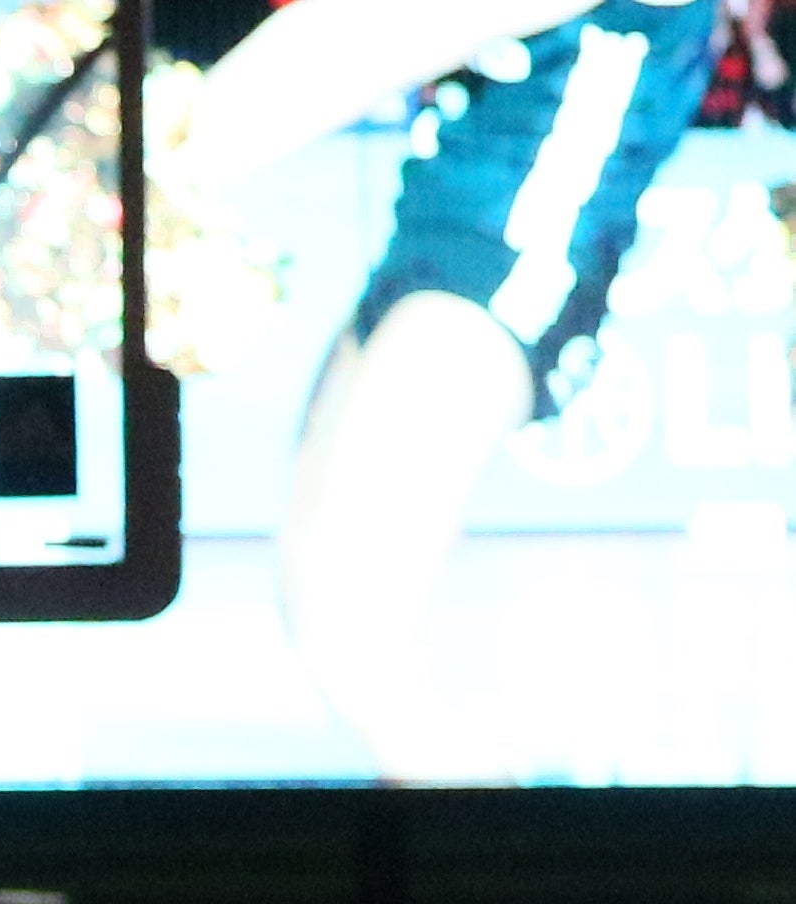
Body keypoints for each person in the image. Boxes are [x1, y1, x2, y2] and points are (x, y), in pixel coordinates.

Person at [173, 0, 730, 775]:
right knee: (319, 607)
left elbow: (375, 33)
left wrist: (146, 165)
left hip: (511, 261)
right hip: (431, 244)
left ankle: (503, 877)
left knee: (345, 621)